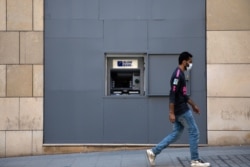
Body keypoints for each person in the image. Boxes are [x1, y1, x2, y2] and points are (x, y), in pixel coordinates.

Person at [146, 52, 210, 167]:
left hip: (181, 108)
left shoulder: (181, 74)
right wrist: (171, 112)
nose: (191, 64)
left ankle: (153, 152)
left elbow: (183, 95)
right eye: (190, 62)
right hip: (181, 110)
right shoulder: (177, 75)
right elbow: (172, 94)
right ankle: (195, 160)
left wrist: (193, 105)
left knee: (176, 134)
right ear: (184, 61)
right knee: (194, 132)